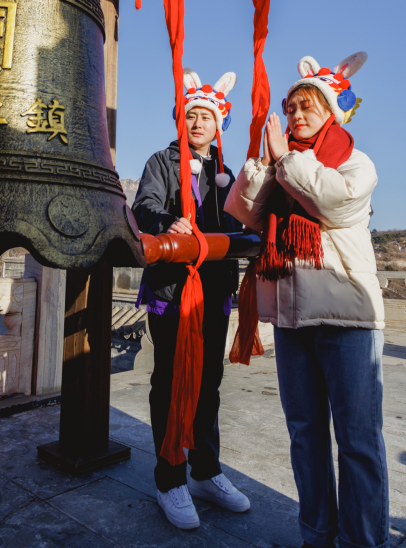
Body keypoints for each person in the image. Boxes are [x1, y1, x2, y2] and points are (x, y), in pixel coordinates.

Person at [224, 53, 388, 548]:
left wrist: (288, 161)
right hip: (293, 321)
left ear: (332, 113)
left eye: (308, 106)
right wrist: (264, 163)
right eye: (291, 106)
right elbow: (244, 213)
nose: (296, 114)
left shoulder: (354, 162)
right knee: (305, 435)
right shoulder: (283, 170)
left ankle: (363, 541)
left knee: (357, 441)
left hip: (348, 322)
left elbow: (333, 201)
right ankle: (317, 534)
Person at [132, 68, 250, 530]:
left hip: (214, 290)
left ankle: (206, 471)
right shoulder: (162, 162)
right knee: (171, 381)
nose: (198, 122)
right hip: (173, 291)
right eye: (191, 115)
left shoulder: (226, 171)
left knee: (209, 383)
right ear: (180, 120)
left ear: (220, 124)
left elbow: (245, 216)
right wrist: (167, 224)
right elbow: (144, 207)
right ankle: (170, 478)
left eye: (206, 116)